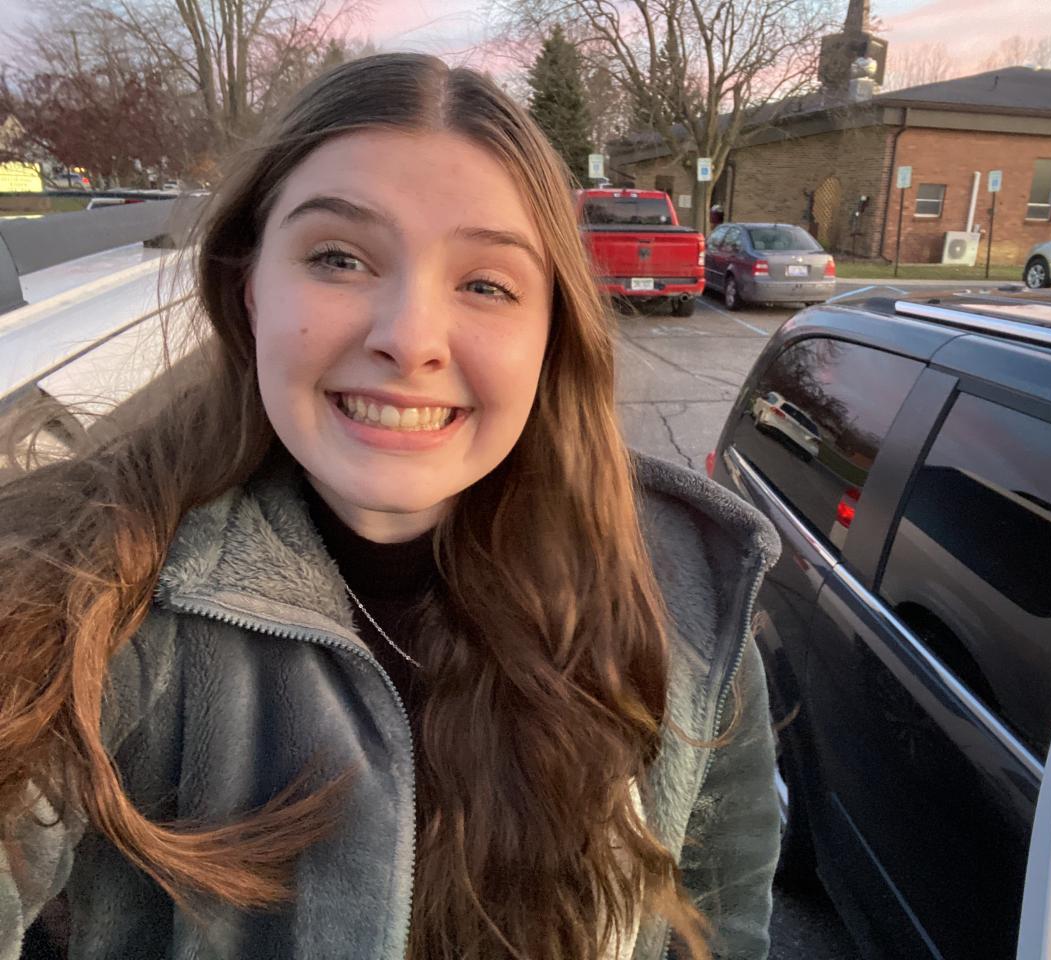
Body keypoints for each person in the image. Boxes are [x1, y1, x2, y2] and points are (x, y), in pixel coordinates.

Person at [0, 54, 781, 960]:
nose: (409, 340)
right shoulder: (78, 587)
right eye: (338, 258)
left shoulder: (680, 590)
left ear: (550, 331)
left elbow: (720, 926)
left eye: (486, 284)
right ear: (249, 287)